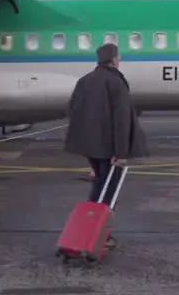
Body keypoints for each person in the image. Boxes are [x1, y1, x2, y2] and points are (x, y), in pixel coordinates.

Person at [64, 42, 149, 248]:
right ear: (113, 59)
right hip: (110, 147)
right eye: (118, 57)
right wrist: (120, 152)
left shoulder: (85, 81)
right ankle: (101, 234)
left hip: (90, 146)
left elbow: (73, 109)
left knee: (99, 186)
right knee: (108, 191)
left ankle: (88, 230)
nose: (120, 60)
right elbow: (121, 120)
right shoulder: (115, 82)